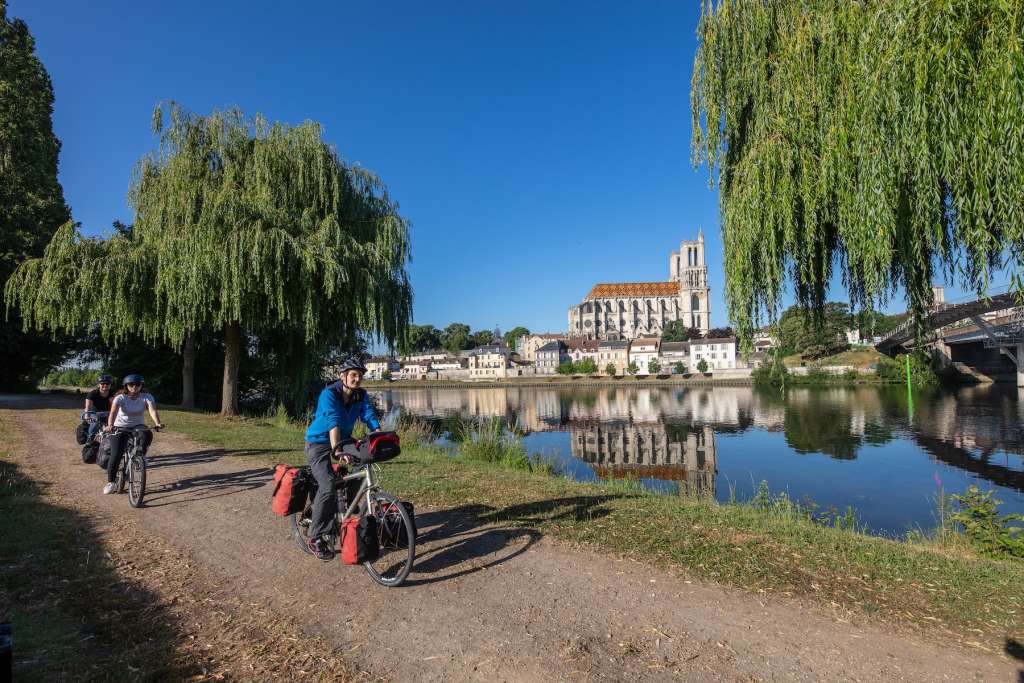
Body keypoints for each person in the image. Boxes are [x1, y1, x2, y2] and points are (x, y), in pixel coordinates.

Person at [303, 357, 380, 560]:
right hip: (318, 442)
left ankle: (345, 508)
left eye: (360, 376)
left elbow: (368, 414)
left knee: (363, 463)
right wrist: (337, 449)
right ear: (343, 376)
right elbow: (333, 420)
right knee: (327, 484)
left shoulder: (360, 395)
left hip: (343, 439)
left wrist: (379, 433)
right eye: (353, 375)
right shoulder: (329, 394)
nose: (357, 379)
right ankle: (315, 537)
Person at [102, 374, 163, 494]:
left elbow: (152, 410)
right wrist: (110, 425)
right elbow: (113, 412)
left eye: (137, 385)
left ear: (141, 386)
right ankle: (111, 482)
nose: (134, 387)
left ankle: (141, 455)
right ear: (126, 386)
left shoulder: (147, 397)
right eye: (131, 385)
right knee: (116, 453)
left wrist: (158, 423)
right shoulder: (120, 398)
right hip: (119, 426)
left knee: (147, 434)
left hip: (137, 425)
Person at [82, 374, 114, 442]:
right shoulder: (92, 394)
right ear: (99, 384)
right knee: (94, 425)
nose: (105, 385)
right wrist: (88, 416)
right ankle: (90, 440)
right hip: (94, 413)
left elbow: (116, 405)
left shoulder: (113, 394)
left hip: (108, 413)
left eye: (107, 383)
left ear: (110, 385)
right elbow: (88, 407)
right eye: (102, 383)